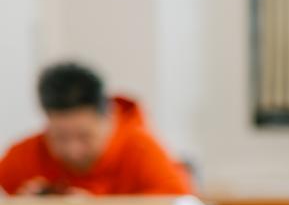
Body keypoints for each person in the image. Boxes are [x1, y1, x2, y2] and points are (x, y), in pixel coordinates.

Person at [0, 62, 193, 197]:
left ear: (109, 117)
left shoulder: (141, 149)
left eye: (84, 137)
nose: (72, 151)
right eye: (60, 137)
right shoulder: (27, 154)